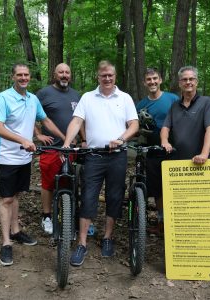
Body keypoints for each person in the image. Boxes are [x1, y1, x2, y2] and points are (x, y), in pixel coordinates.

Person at [62, 60, 139, 266]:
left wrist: (122, 139)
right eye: (103, 75)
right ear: (98, 77)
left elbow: (134, 124)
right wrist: (68, 143)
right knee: (88, 197)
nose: (107, 78)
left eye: (110, 75)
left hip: (118, 155)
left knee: (114, 196)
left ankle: (107, 238)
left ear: (115, 77)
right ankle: (82, 243)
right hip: (94, 156)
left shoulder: (125, 98)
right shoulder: (87, 97)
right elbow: (77, 121)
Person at [0, 63, 65, 266]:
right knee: (6, 198)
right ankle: (6, 243)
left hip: (25, 156)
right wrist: (23, 140)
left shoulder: (33, 99)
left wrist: (65, 137)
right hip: (7, 155)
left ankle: (15, 231)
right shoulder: (3, 97)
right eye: (19, 75)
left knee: (16, 195)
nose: (23, 78)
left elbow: (45, 120)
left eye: (26, 75)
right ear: (13, 76)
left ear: (30, 77)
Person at [34, 63, 82, 235]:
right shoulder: (43, 94)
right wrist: (38, 134)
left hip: (71, 150)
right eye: (61, 72)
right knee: (48, 184)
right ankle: (47, 216)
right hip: (51, 148)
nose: (64, 75)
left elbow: (81, 119)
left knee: (68, 182)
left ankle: (66, 215)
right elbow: (29, 114)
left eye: (67, 72)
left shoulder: (76, 95)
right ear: (54, 75)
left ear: (70, 75)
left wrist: (83, 139)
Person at [136, 68, 179, 235]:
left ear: (160, 80)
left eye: (155, 78)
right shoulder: (141, 105)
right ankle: (161, 221)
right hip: (153, 150)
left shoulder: (173, 99)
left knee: (173, 187)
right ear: (144, 82)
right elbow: (136, 126)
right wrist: (141, 131)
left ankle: (176, 221)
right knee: (157, 188)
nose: (152, 82)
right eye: (149, 79)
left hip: (173, 149)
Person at [161, 66, 210, 163]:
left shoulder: (207, 102)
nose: (188, 82)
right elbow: (165, 127)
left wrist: (204, 154)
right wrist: (164, 141)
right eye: (184, 79)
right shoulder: (174, 106)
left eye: (191, 79)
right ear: (180, 83)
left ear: (196, 82)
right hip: (178, 161)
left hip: (201, 161)